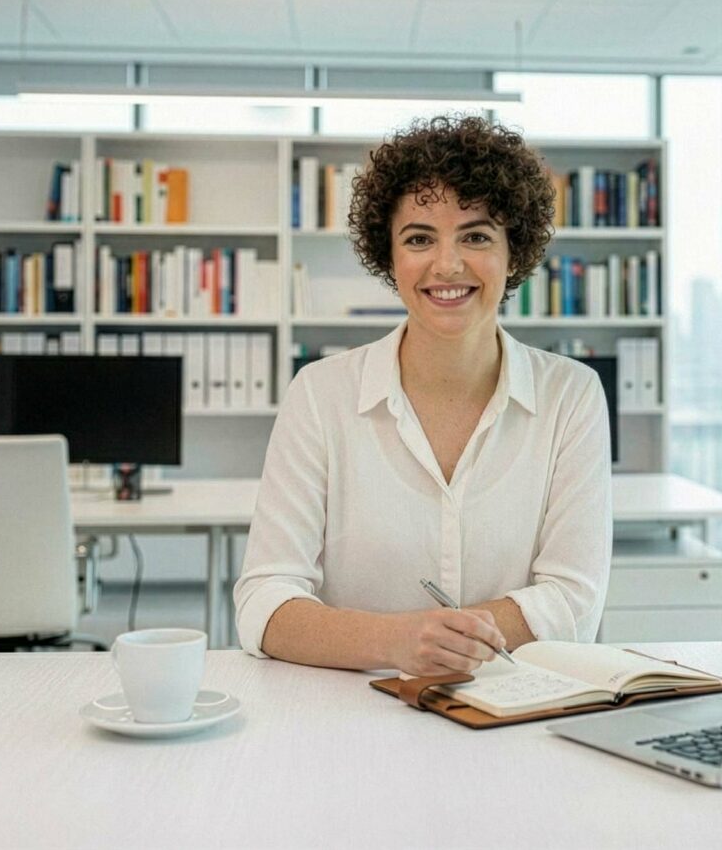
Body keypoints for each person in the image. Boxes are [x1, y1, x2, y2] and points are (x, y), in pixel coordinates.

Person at [234, 114, 612, 676]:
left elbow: (573, 598)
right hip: (351, 709)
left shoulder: (571, 395)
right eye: (419, 238)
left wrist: (444, 642)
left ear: (516, 252)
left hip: (515, 708)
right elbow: (265, 602)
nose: (447, 265)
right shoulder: (320, 394)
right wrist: (396, 641)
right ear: (390, 257)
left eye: (477, 236)